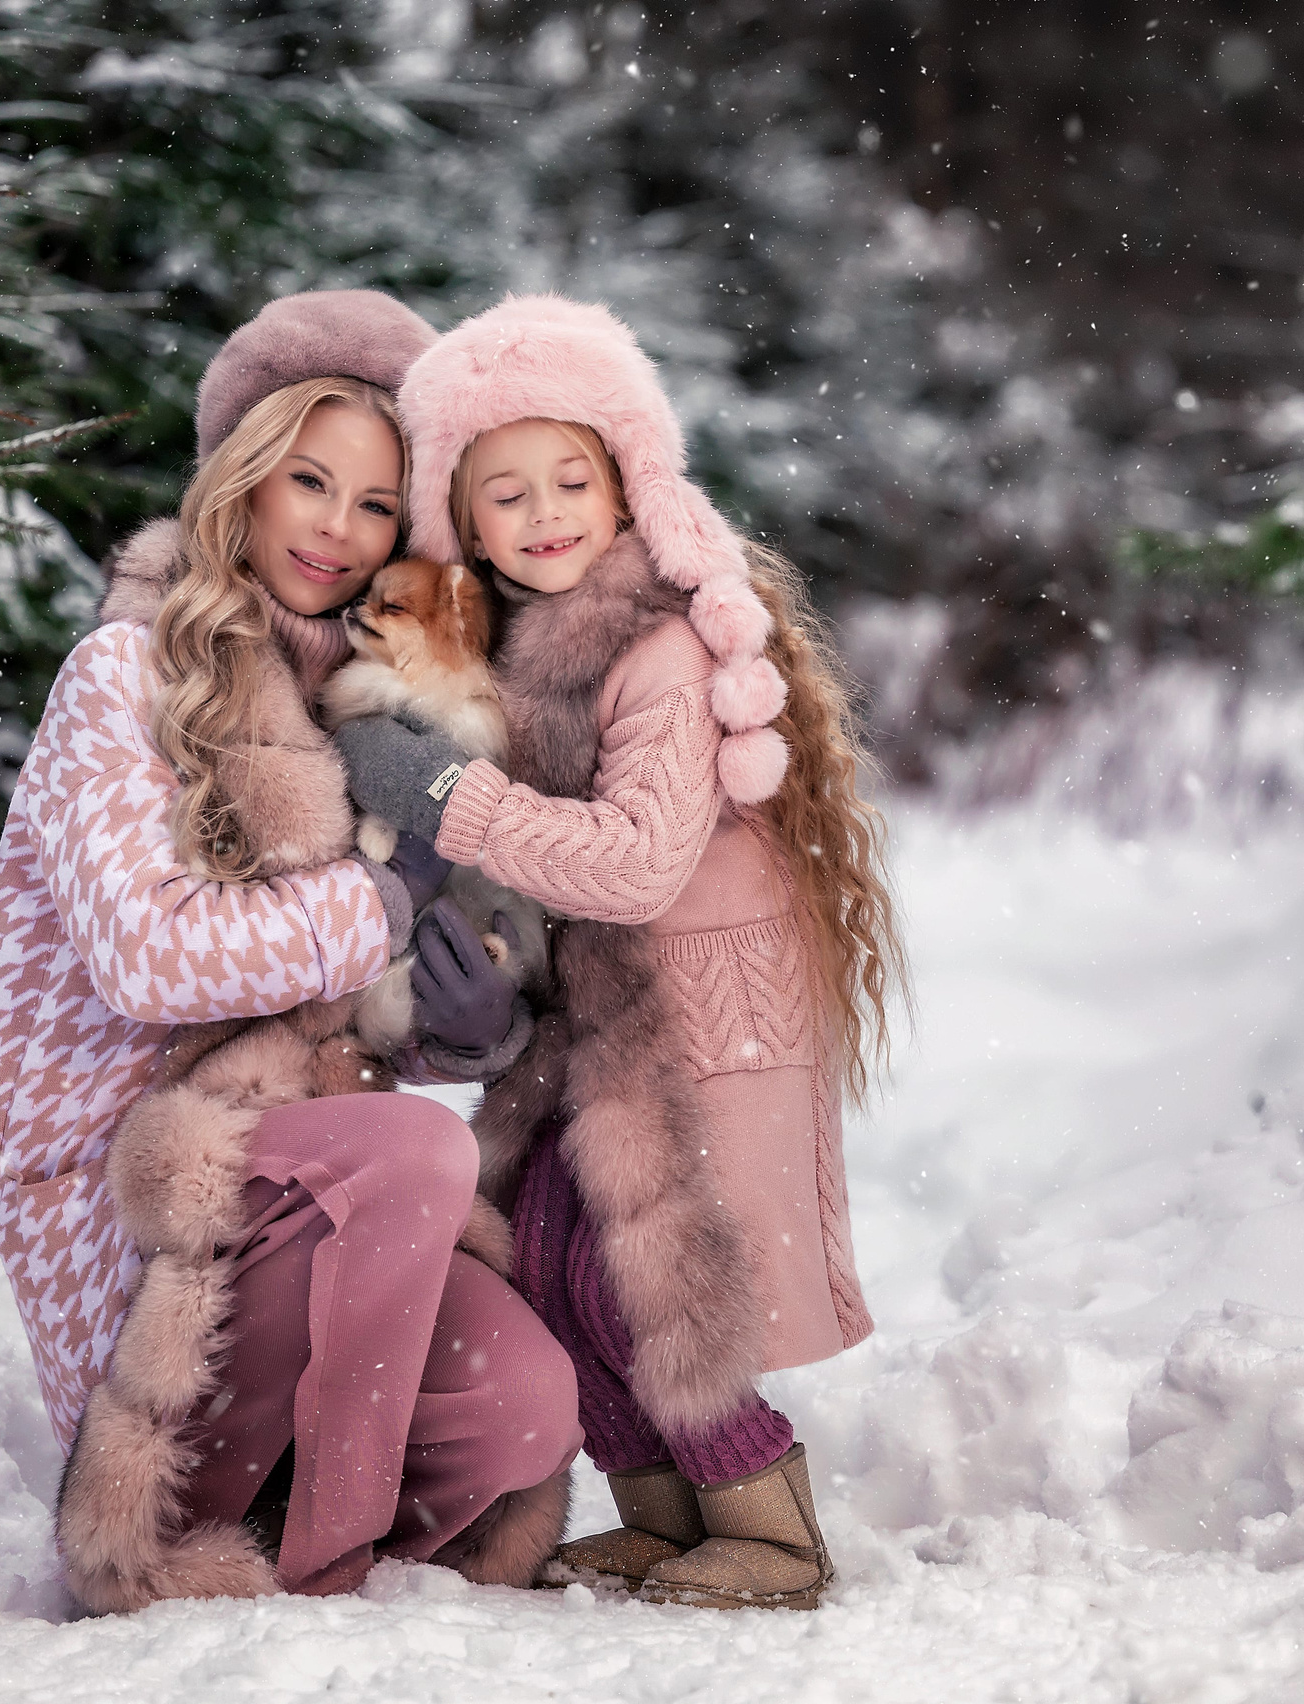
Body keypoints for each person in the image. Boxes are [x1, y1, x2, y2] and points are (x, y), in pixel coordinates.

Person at [0, 291, 578, 1613]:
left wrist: (452, 1030)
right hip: (138, 1194)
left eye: (374, 506)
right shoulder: (121, 676)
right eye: (309, 480)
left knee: (525, 1409)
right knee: (416, 1151)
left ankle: (304, 1488)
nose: (335, 528)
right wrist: (380, 898)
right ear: (243, 479)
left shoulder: (354, 715)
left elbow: (326, 1004)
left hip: (309, 1180)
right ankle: (324, 1567)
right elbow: (150, 960)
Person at [334, 295, 906, 1611]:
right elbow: (520, 868)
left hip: (697, 1009)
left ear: (629, 477)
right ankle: (657, 1509)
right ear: (460, 524)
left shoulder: (654, 647)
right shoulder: (524, 653)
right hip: (598, 1020)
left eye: (572, 478)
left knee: (643, 1266)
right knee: (548, 1250)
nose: (544, 512)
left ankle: (763, 1516)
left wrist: (446, 798)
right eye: (505, 494)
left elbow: (638, 863)